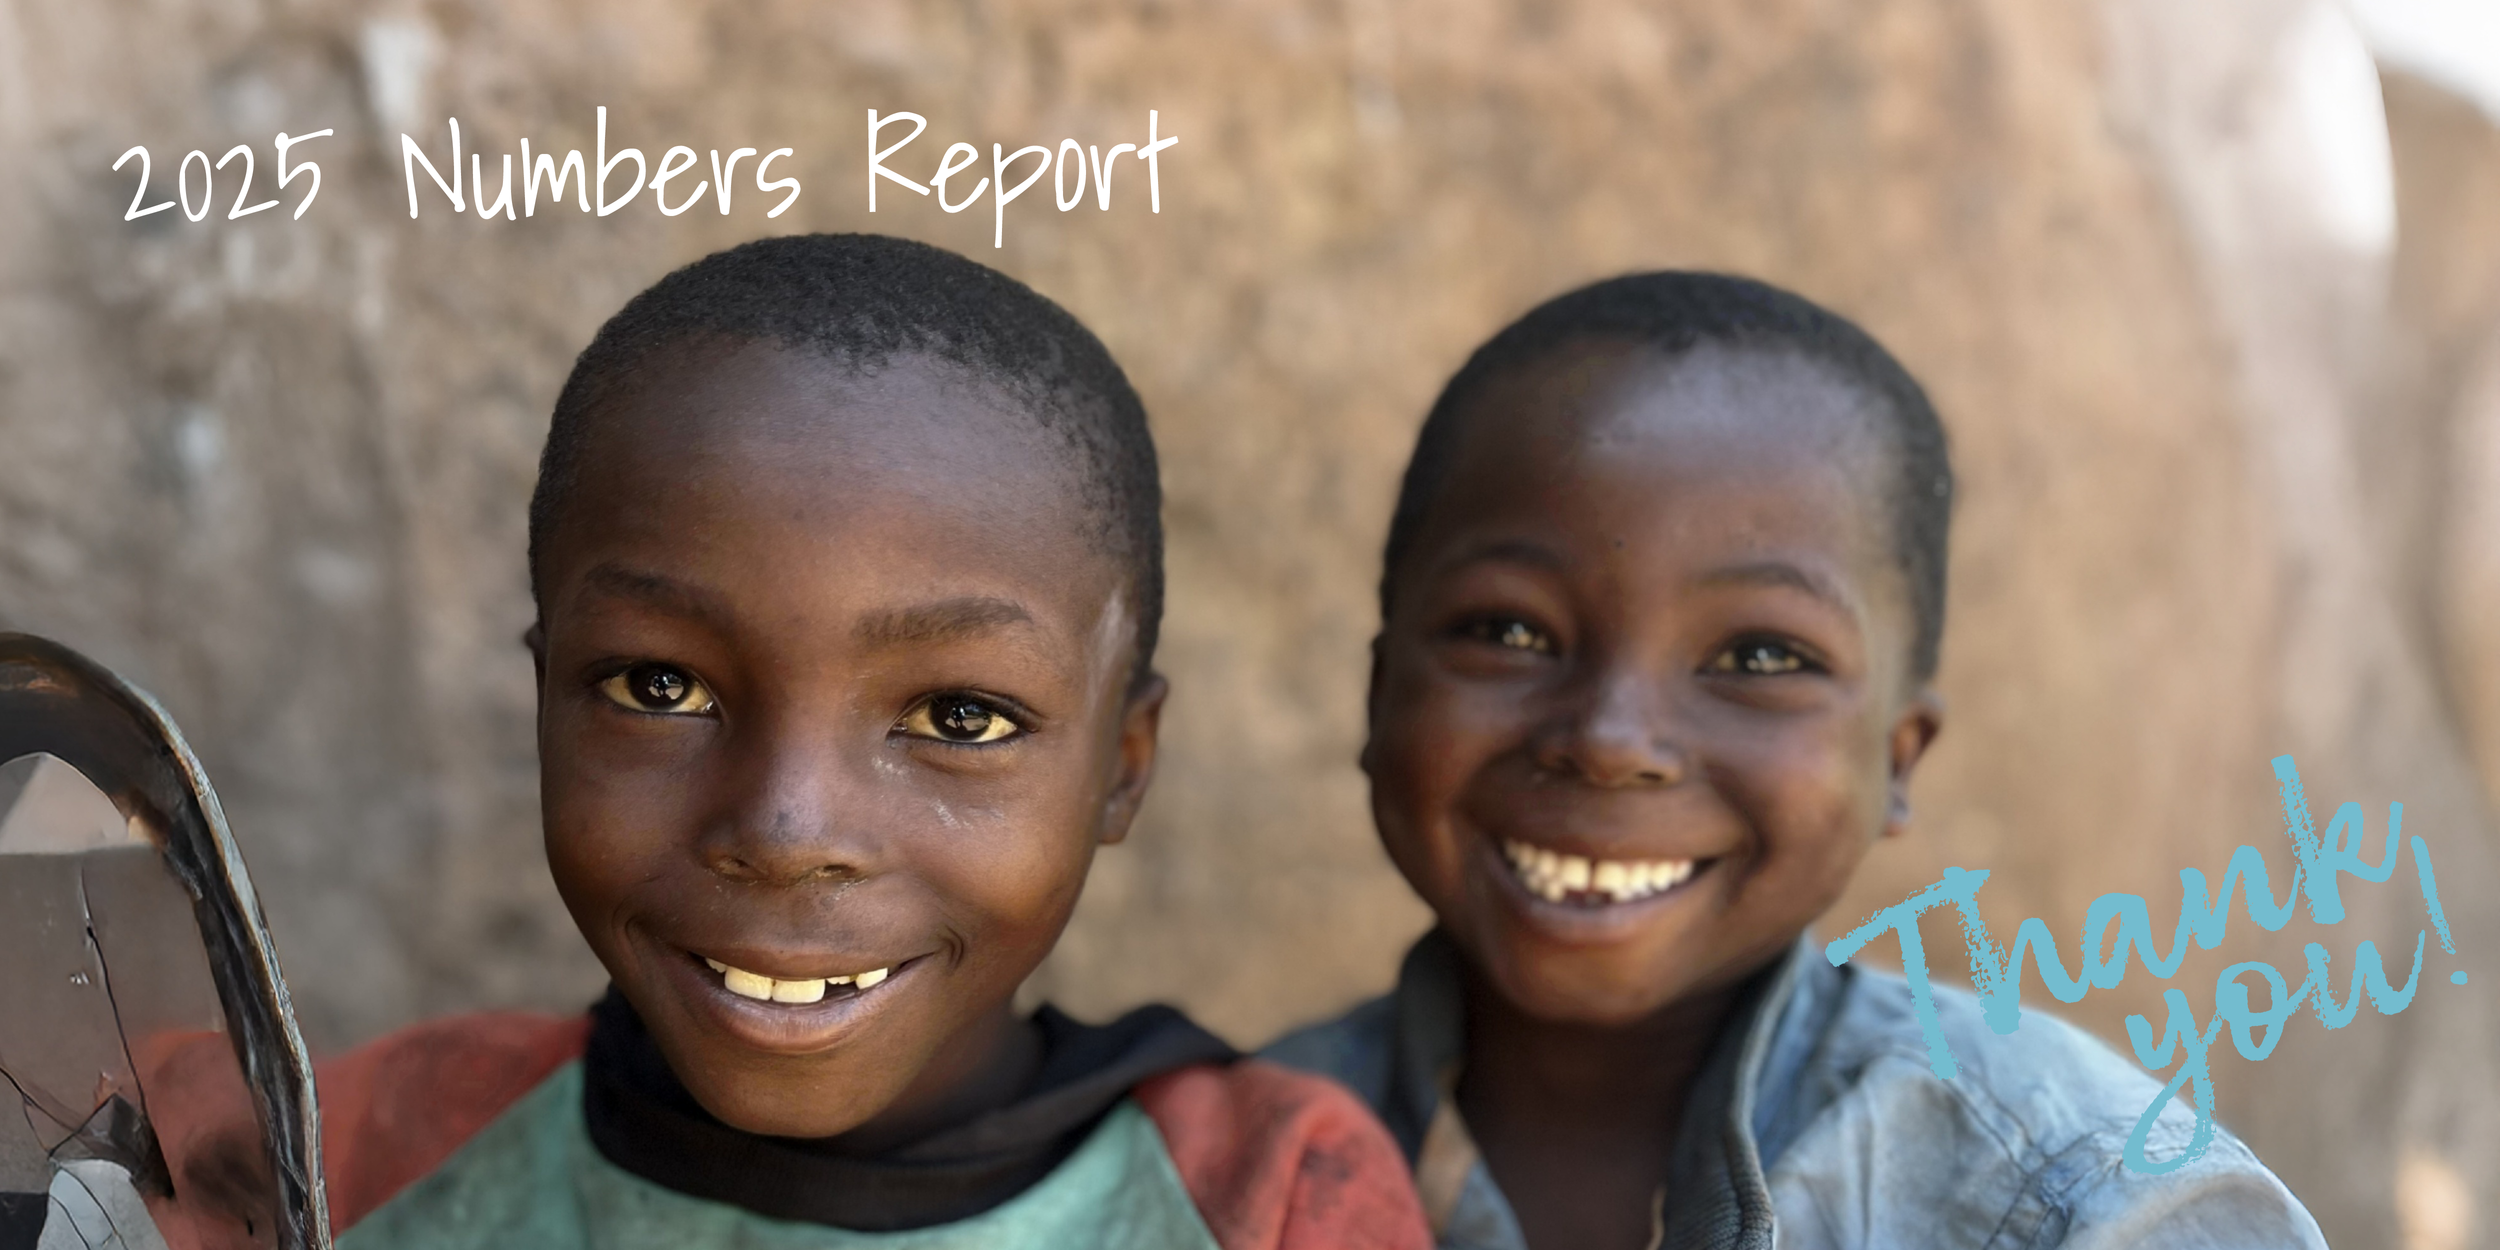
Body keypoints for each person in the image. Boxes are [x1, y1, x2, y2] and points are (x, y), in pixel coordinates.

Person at [307, 234, 1431, 1250]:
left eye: (958, 717)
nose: (788, 830)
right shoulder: (366, 1143)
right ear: (547, 693)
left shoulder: (1270, 1199)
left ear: (1122, 765)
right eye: (661, 685)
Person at [1261, 272, 2326, 1250]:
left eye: (1759, 655)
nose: (1609, 737)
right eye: (1509, 631)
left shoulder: (2087, 1202)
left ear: (1898, 761)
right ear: (1378, 690)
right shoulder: (1200, 1165)